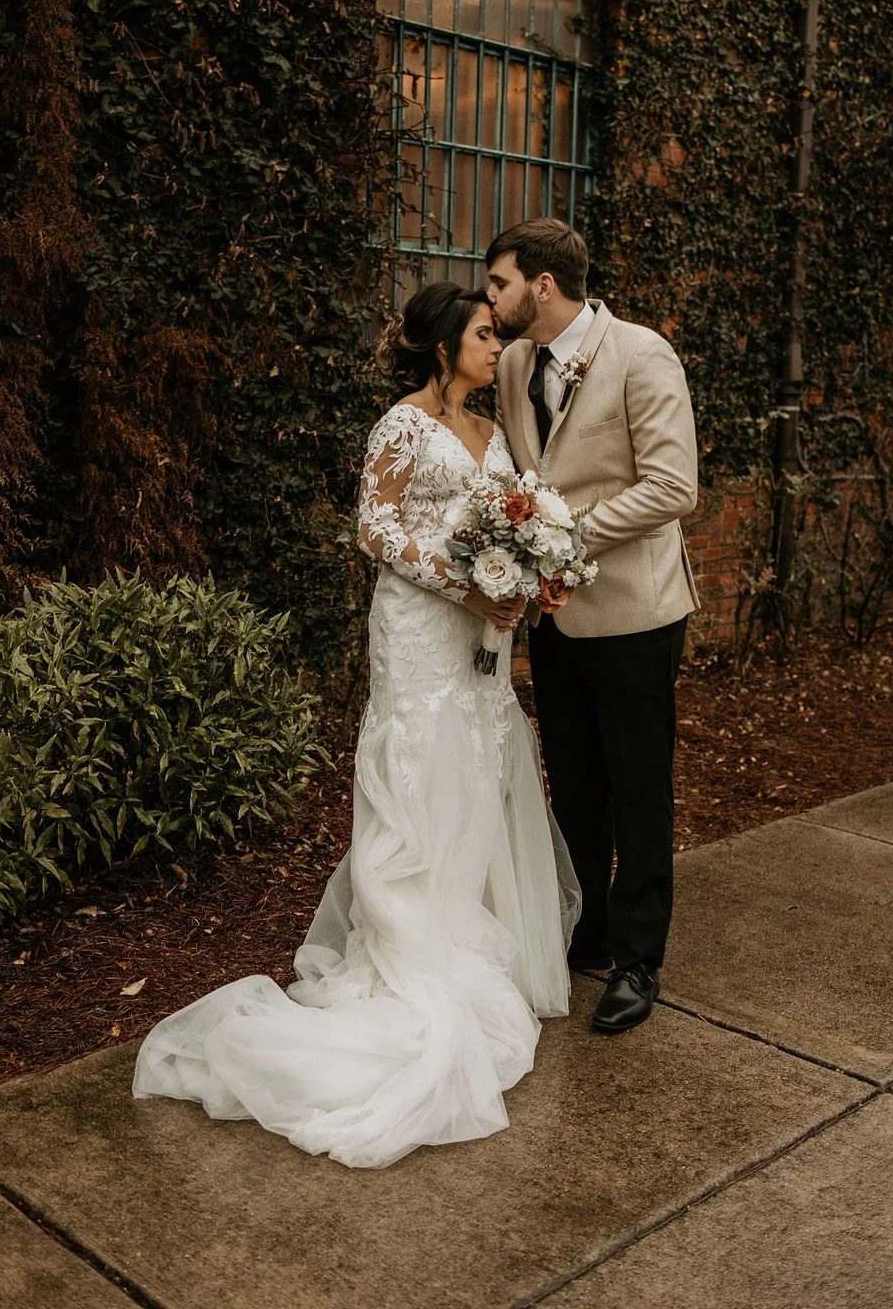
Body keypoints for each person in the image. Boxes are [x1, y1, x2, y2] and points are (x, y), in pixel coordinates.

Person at [133, 281, 581, 1169]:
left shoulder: (493, 436)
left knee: (483, 762)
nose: (498, 349)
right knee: (419, 772)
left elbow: (513, 527)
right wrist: (468, 584)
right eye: (487, 336)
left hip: (481, 643)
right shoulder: (401, 425)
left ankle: (467, 931)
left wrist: (527, 584)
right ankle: (409, 945)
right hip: (419, 634)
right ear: (448, 342)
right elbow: (375, 528)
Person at [487, 218, 699, 1034]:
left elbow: (673, 486)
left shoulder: (641, 354)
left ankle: (639, 961)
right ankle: (589, 928)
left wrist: (564, 539)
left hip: (637, 612)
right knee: (573, 783)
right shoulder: (511, 363)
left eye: (500, 282)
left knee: (638, 786)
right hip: (554, 618)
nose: (491, 297)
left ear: (542, 285)